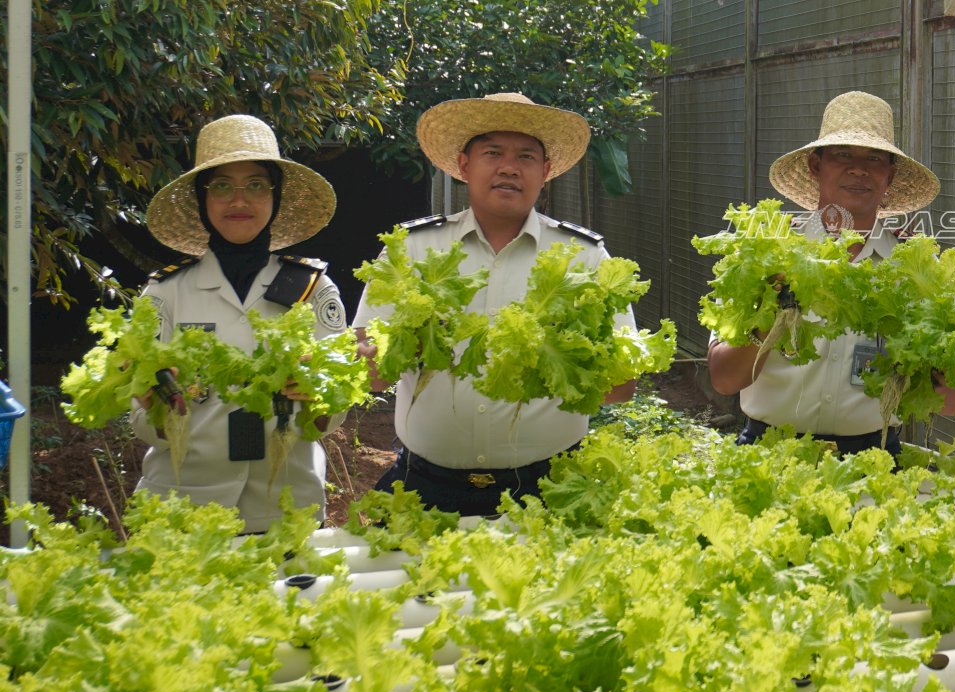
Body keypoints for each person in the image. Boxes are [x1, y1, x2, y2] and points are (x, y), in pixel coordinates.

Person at [353, 92, 636, 515]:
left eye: (526, 156)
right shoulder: (411, 250)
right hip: (424, 487)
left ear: (547, 170)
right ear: (465, 166)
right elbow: (368, 373)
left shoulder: (586, 258)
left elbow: (621, 386)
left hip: (549, 489)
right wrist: (386, 353)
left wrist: (554, 358)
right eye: (493, 152)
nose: (509, 167)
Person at [706, 90, 955, 455]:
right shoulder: (766, 253)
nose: (859, 168)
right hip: (770, 452)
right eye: (843, 154)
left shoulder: (917, 267)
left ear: (889, 175)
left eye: (874, 158)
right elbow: (724, 379)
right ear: (815, 166)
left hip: (874, 459)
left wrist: (947, 363)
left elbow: (951, 402)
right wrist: (771, 311)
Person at [134, 113, 348, 533]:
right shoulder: (164, 294)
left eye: (255, 185)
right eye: (222, 186)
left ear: (276, 197)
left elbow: (334, 407)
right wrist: (160, 403)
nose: (239, 200)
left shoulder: (314, 288)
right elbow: (142, 421)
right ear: (202, 199)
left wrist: (320, 394)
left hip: (285, 507)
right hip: (182, 510)